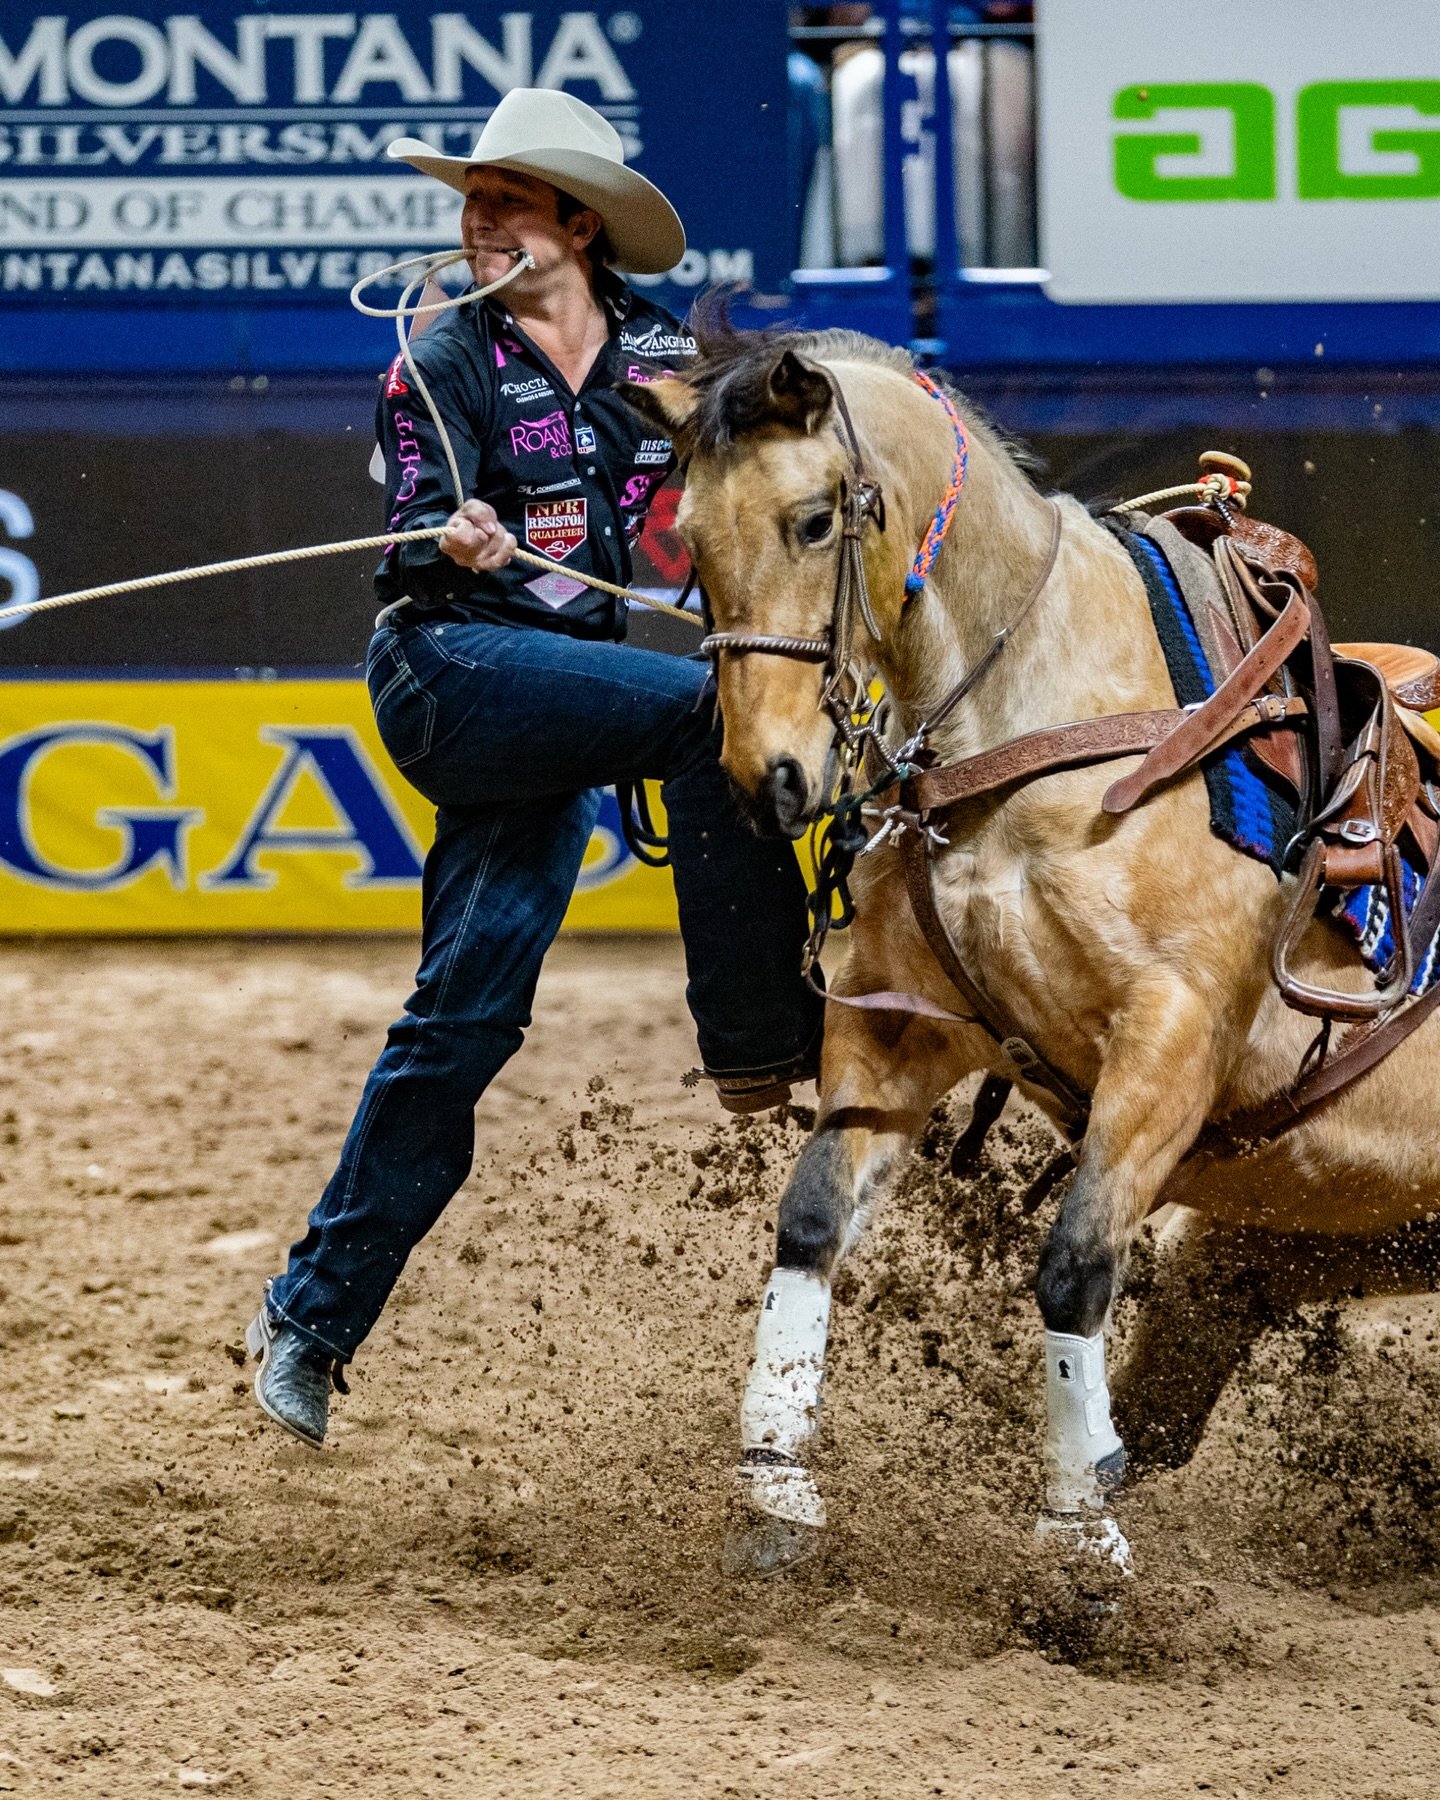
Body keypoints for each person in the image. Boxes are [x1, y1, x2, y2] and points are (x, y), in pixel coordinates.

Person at [244, 89, 823, 1448]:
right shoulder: (439, 357)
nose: (477, 219)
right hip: (450, 670)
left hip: (556, 717)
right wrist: (453, 539)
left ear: (578, 220)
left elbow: (782, 430)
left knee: (463, 1024)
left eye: (506, 198)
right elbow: (408, 535)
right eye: (471, 199)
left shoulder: (670, 358)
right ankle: (761, 1042)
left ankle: (307, 1322)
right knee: (705, 714)